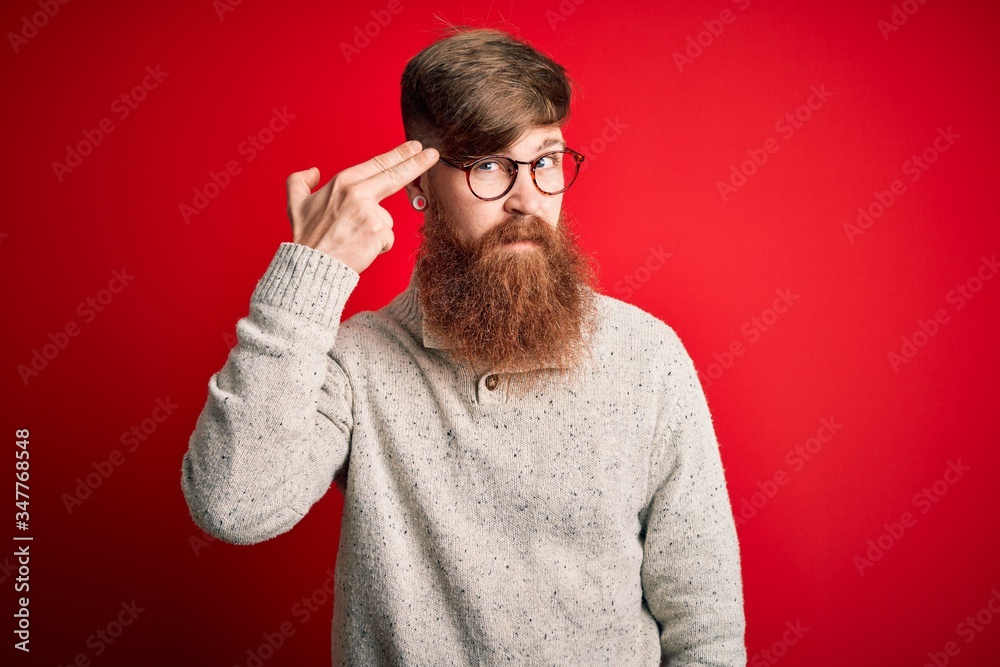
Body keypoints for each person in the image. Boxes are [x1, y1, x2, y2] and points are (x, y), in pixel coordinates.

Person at [180, 25, 746, 666]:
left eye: (546, 160)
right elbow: (235, 503)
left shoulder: (648, 357)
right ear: (419, 183)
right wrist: (309, 272)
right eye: (486, 166)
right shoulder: (356, 361)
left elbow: (707, 629)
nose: (526, 198)